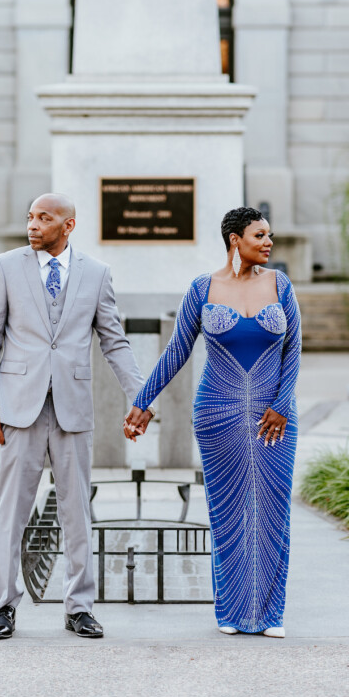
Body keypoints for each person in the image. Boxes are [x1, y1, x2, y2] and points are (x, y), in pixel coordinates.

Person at [0, 193, 152, 640]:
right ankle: (2, 606)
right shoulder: (6, 266)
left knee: (77, 511)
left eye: (44, 218)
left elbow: (114, 341)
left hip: (73, 408)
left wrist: (141, 396)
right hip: (18, 408)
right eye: (30, 216)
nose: (32, 225)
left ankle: (79, 607)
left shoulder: (96, 274)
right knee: (10, 512)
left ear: (68, 226)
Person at [125, 206, 301, 637]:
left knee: (272, 509)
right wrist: (143, 402)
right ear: (234, 239)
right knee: (227, 512)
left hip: (273, 416)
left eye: (270, 235)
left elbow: (294, 349)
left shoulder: (281, 284)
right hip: (216, 412)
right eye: (259, 235)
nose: (268, 242)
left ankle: (269, 615)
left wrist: (281, 402)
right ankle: (233, 613)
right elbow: (176, 351)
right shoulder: (202, 288)